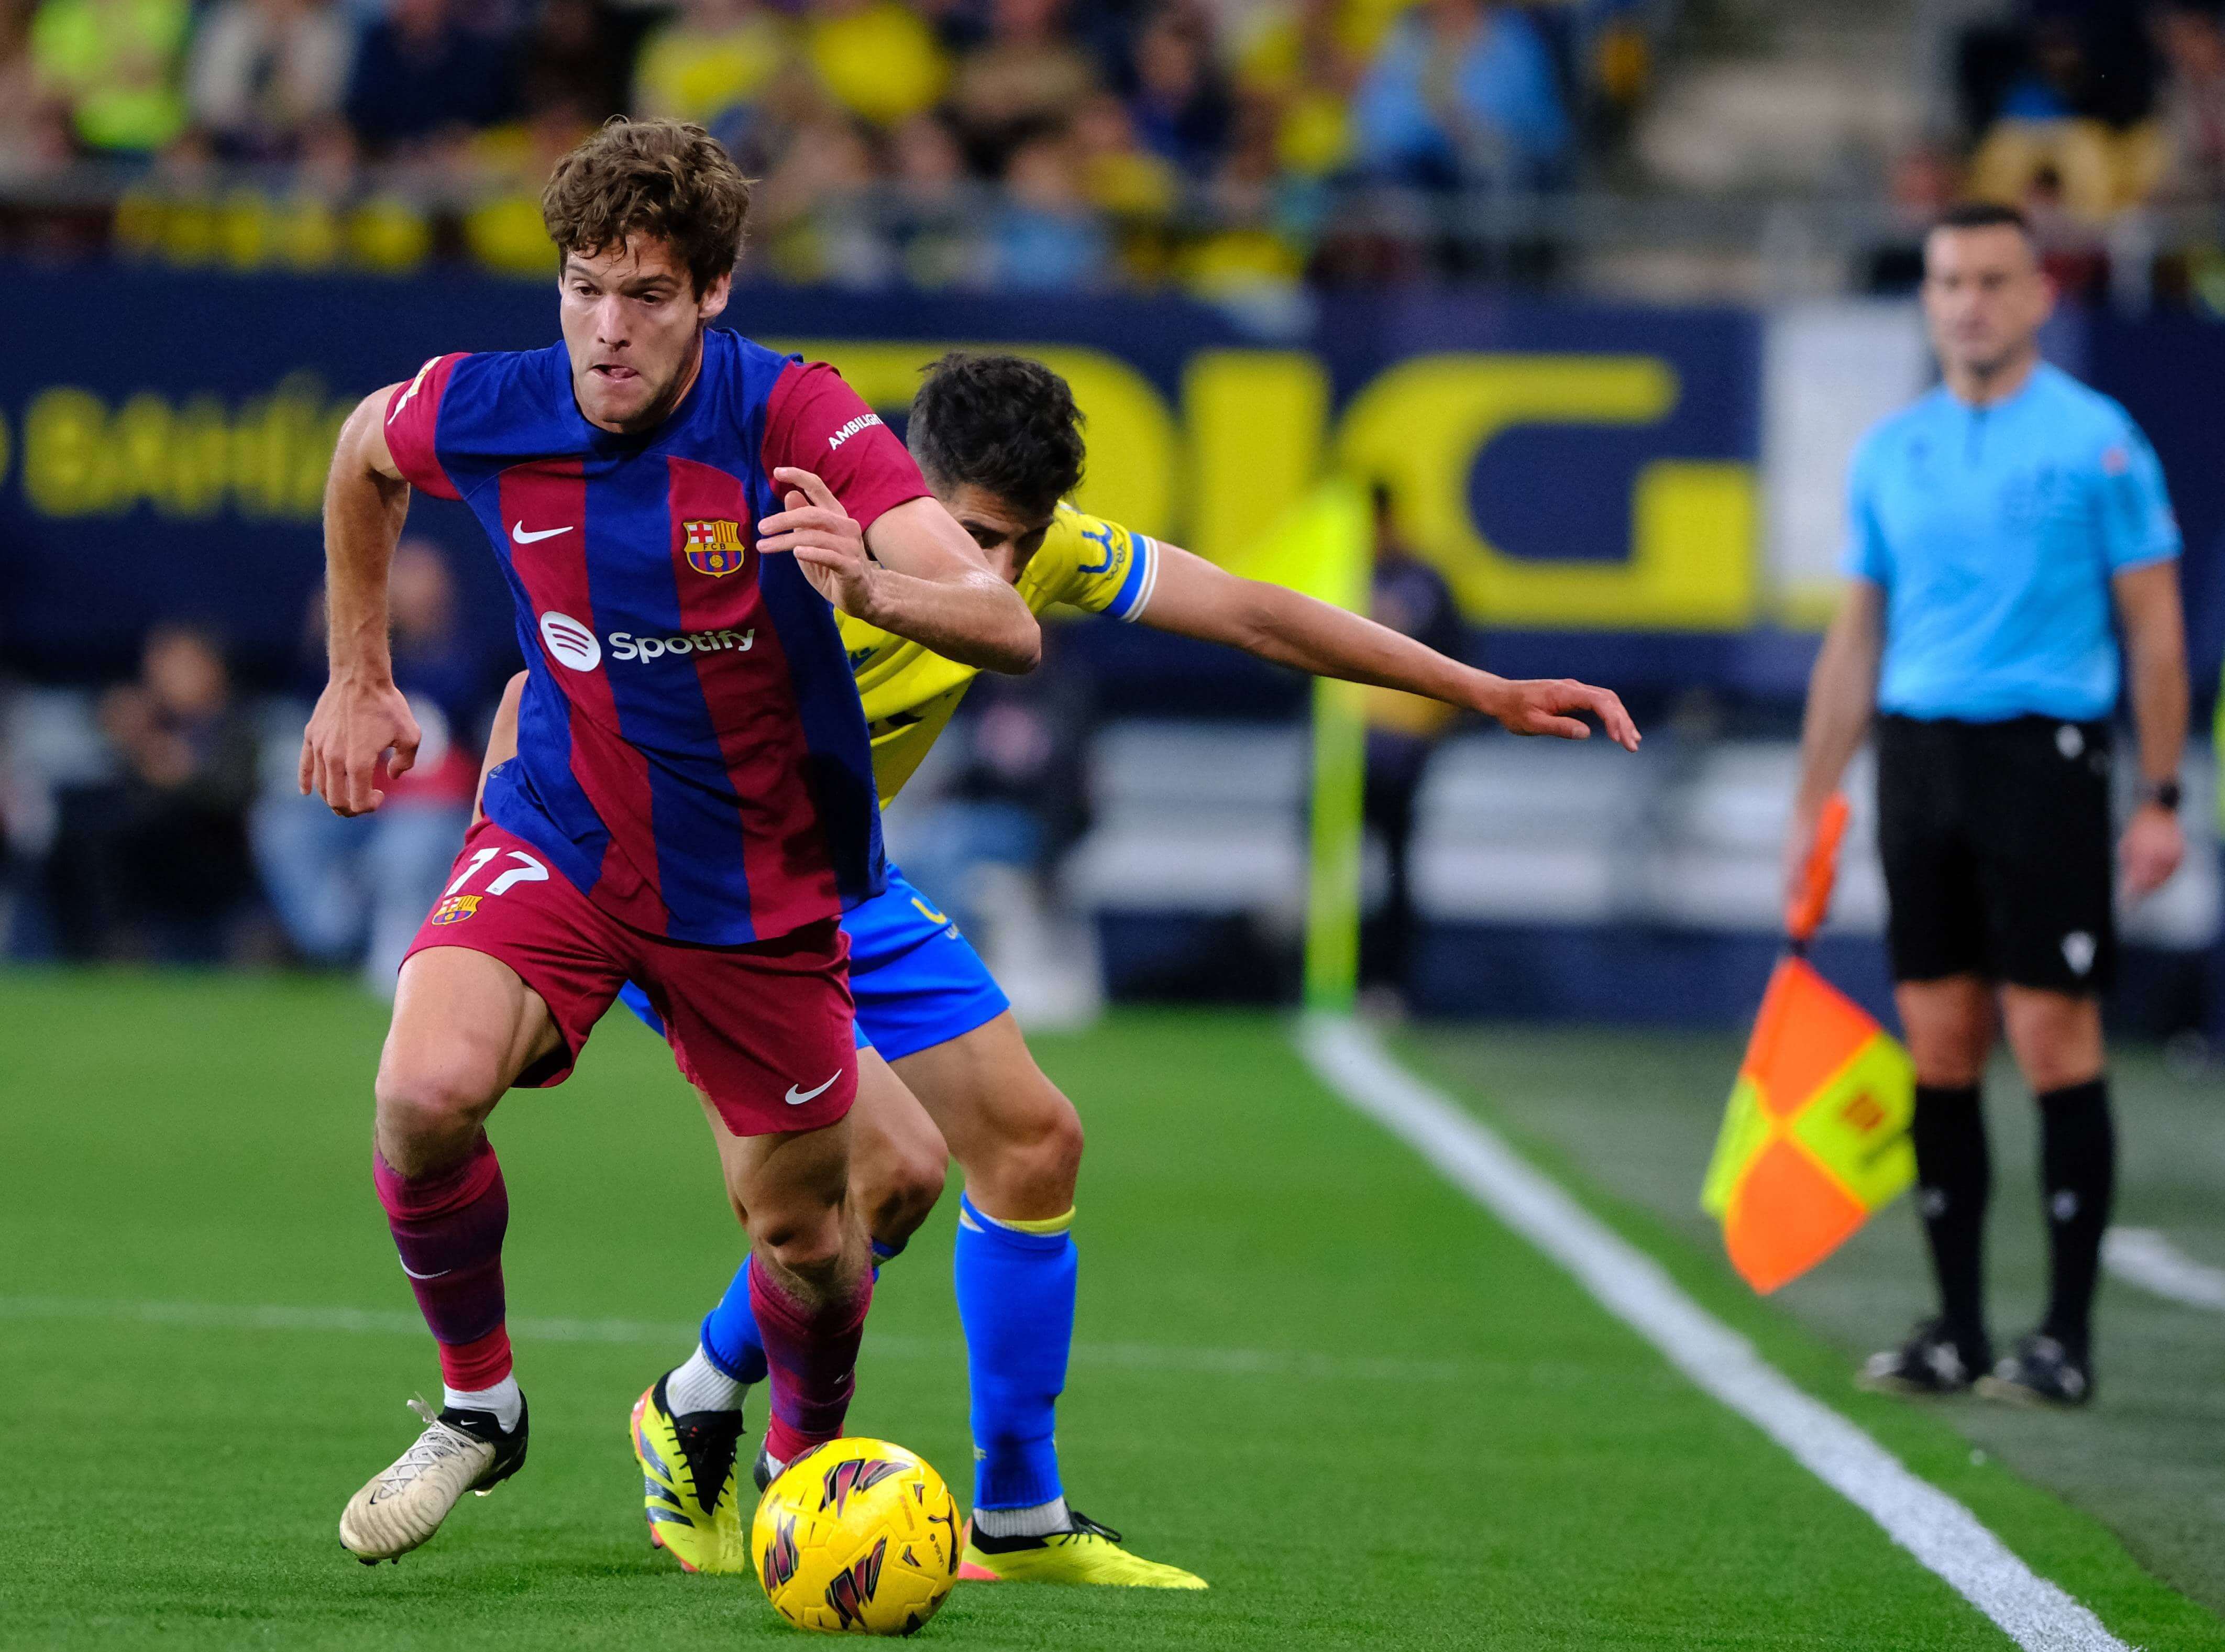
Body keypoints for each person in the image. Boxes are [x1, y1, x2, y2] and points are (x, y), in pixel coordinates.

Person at [478, 351, 1639, 1583]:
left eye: (1018, 545)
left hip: (843, 886)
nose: (997, 574)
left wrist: (1482, 689)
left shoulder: (1036, 556)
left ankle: (997, 1505)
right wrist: (510, 886)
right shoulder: (761, 521)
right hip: (692, 894)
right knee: (893, 1166)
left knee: (1031, 1143)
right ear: (899, 479)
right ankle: (730, 1426)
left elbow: (1251, 610)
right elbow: (534, 684)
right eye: (975, 535)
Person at [301, 117, 1039, 1565]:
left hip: (754, 896)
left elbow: (1005, 624)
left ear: (712, 292)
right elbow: (359, 452)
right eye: (583, 286)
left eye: (644, 294)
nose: (605, 326)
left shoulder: (795, 421)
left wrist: (876, 590)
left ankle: (802, 1469)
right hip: (566, 835)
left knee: (813, 1243)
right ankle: (479, 1404)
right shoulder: (497, 402)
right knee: (424, 1086)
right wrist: (359, 671)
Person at [1787, 201, 2187, 1409]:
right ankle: (1957, 1327)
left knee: (2052, 1034)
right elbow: (1856, 639)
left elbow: (2156, 625)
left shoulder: (2098, 442)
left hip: (2045, 753)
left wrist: (2160, 793)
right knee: (1940, 1040)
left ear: (2038, 296)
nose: (1968, 301)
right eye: (1950, 279)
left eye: (1993, 280)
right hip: (1920, 758)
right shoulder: (1891, 451)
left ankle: (2063, 1334)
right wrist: (1814, 801)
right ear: (1928, 295)